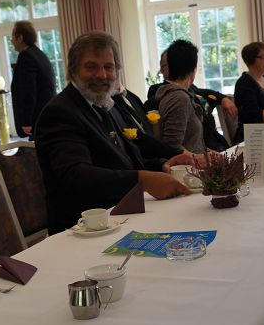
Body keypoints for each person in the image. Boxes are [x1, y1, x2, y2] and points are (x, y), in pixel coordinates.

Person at [34, 31, 190, 234]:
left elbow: (127, 160)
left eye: (108, 67)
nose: (102, 75)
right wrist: (142, 180)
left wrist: (164, 165)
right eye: (91, 67)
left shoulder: (104, 105)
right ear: (73, 70)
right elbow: (75, 175)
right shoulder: (60, 112)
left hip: (121, 216)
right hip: (82, 229)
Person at [147, 48, 237, 149]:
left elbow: (206, 93)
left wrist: (223, 98)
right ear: (162, 70)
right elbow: (173, 145)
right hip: (198, 148)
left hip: (211, 143)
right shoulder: (167, 92)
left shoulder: (189, 87)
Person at [154, 39, 208, 154]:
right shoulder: (179, 98)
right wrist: (202, 159)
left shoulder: (176, 95)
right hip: (188, 165)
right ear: (192, 69)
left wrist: (209, 154)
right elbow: (173, 146)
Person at [10, 20, 56, 138]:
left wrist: (27, 121)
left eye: (13, 36)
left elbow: (29, 91)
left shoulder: (26, 56)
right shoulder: (39, 54)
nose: (11, 40)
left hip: (37, 117)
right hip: (47, 113)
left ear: (20, 38)